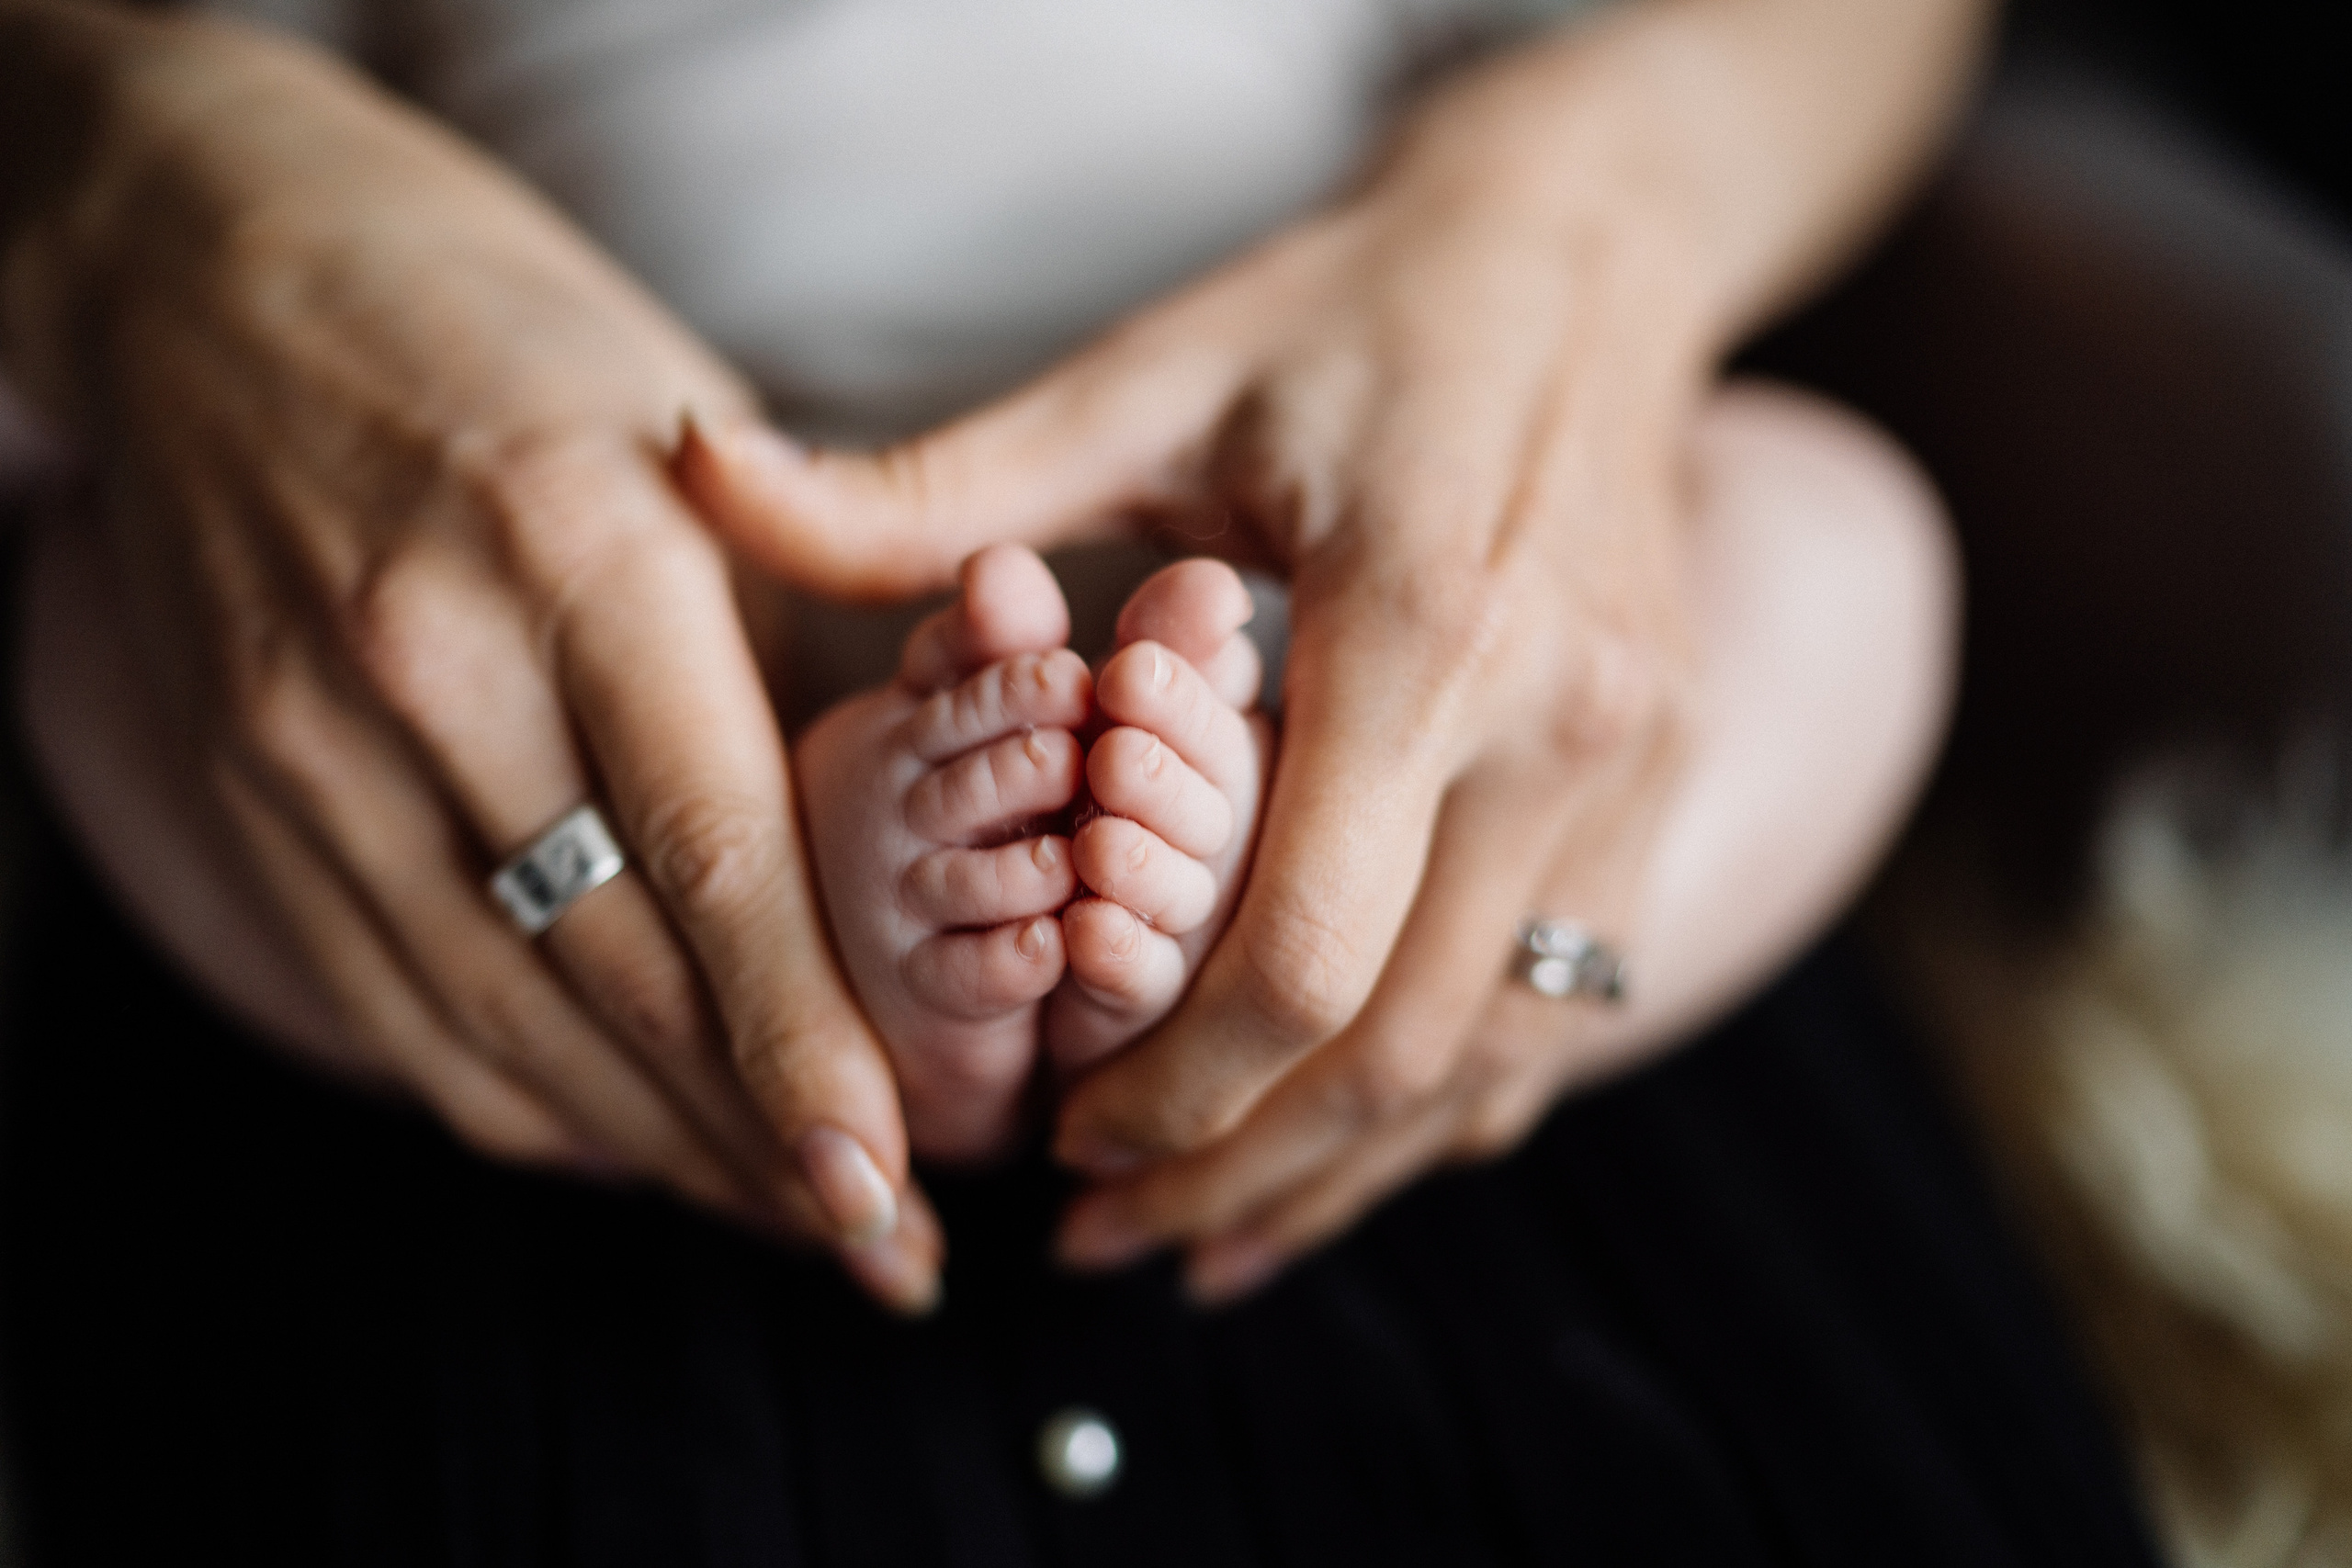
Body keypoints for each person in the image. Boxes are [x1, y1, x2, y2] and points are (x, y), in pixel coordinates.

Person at [0, 0, 2164, 1559]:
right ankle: (859, 905)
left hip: (1365, 521)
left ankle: (1380, 931)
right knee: (119, 626)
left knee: (1836, 529)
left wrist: (1567, 196)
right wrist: (146, 175)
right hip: (630, 568)